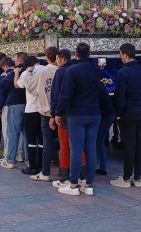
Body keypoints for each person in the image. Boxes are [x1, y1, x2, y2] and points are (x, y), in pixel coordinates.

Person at [56, 43, 111, 196]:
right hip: (94, 114)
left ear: (76, 54)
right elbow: (102, 92)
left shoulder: (72, 71)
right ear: (89, 53)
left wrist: (59, 112)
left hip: (77, 114)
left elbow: (65, 95)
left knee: (76, 149)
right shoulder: (96, 71)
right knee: (91, 148)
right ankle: (88, 184)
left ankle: (73, 184)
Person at [111, 43, 141, 189]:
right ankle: (137, 177)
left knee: (129, 145)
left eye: (120, 54)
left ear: (125, 55)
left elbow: (121, 96)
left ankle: (126, 178)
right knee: (140, 144)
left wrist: (118, 114)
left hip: (129, 111)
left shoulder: (122, 72)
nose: (120, 57)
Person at [23, 47, 58, 181]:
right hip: (61, 112)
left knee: (46, 141)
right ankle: (67, 174)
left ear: (47, 57)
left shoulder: (42, 72)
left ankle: (45, 172)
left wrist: (27, 73)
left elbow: (30, 87)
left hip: (46, 111)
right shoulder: (63, 70)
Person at [49, 48, 77, 186]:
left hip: (64, 114)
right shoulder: (77, 70)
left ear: (62, 59)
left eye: (57, 59)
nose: (56, 62)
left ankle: (64, 176)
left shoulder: (61, 72)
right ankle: (81, 175)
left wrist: (54, 113)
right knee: (79, 145)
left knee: (64, 144)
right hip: (78, 113)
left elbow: (56, 95)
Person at [15, 55, 44, 175]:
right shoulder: (46, 69)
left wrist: (18, 72)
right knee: (42, 140)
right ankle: (41, 166)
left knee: (31, 140)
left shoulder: (26, 73)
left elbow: (18, 85)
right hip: (44, 110)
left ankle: (32, 167)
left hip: (31, 109)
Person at [0, 56, 26, 169]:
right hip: (27, 105)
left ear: (19, 61)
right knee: (26, 135)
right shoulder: (29, 71)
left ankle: (10, 160)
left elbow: (3, 86)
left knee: (12, 133)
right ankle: (27, 159)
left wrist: (4, 77)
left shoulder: (14, 72)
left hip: (14, 105)